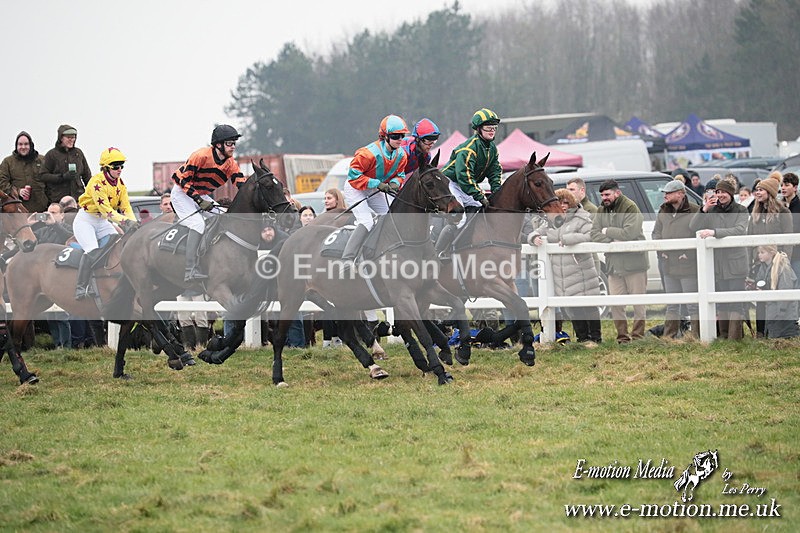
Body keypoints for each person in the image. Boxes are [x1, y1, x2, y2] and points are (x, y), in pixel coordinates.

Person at [171, 124, 245, 282]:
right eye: (230, 143)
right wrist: (198, 200)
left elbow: (240, 183)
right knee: (198, 224)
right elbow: (181, 180)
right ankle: (190, 269)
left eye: (234, 143)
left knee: (226, 217)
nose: (233, 147)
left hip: (201, 194)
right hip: (181, 193)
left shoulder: (231, 163)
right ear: (218, 144)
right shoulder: (200, 156)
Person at [530, 189, 602, 345]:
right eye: (559, 202)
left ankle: (595, 338)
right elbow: (535, 232)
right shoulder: (552, 220)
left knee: (589, 305)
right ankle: (582, 338)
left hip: (581, 269)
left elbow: (590, 235)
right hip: (561, 274)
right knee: (573, 307)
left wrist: (569, 239)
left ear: (571, 203)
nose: (562, 206)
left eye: (565, 202)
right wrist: (534, 237)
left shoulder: (581, 217)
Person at [341, 115, 409, 262]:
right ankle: (348, 258)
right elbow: (353, 176)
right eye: (396, 136)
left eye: (402, 136)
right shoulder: (368, 154)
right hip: (355, 188)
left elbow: (401, 174)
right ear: (385, 136)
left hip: (376, 188)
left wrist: (395, 183)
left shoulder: (402, 155)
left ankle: (378, 249)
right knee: (367, 221)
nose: (400, 139)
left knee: (392, 216)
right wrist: (376, 183)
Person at [689, 177, 750, 340]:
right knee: (721, 301)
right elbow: (693, 227)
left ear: (730, 193)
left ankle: (735, 337)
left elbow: (739, 230)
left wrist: (715, 232)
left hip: (735, 263)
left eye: (723, 191)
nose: (720, 195)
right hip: (718, 264)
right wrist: (704, 209)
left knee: (736, 301)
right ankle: (723, 335)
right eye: (718, 192)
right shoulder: (712, 210)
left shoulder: (741, 210)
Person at [73, 147, 137, 299]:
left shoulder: (120, 184)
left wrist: (134, 222)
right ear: (106, 167)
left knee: (116, 243)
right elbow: (106, 210)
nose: (120, 169)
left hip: (101, 222)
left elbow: (126, 206)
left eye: (122, 166)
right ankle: (81, 287)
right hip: (85, 221)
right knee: (92, 250)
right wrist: (125, 221)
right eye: (116, 166)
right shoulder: (96, 182)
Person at [590, 179, 648, 343]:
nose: (604, 198)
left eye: (607, 194)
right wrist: (611, 240)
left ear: (617, 193)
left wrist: (607, 230)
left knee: (639, 303)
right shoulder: (601, 210)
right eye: (602, 195)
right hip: (614, 265)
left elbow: (630, 233)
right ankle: (622, 337)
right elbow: (593, 234)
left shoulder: (631, 207)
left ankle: (638, 336)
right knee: (616, 303)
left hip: (634, 264)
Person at [652, 180, 700, 339]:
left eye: (669, 193)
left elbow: (698, 233)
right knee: (672, 304)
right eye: (665, 193)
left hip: (687, 265)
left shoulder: (694, 210)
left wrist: (688, 253)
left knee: (693, 304)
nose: (665, 196)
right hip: (668, 264)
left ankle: (697, 335)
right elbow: (656, 233)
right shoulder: (663, 211)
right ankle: (669, 336)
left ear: (680, 193)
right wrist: (661, 250)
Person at [747, 175, 792, 337]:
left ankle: (777, 331)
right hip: (760, 264)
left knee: (777, 299)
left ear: (770, 192)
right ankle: (760, 332)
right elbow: (749, 240)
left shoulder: (783, 212)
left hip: (778, 264)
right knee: (760, 298)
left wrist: (784, 262)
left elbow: (789, 240)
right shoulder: (755, 214)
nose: (757, 193)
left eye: (761, 189)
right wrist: (751, 261)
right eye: (756, 190)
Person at [753, 245, 799, 339]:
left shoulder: (783, 268)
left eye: (762, 252)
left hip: (784, 313)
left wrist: (780, 313)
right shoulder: (763, 267)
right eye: (758, 253)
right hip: (772, 310)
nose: (759, 255)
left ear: (771, 253)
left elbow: (785, 292)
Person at [39, 125, 91, 203]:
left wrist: (92, 191)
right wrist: (62, 177)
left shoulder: (78, 153)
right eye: (68, 137)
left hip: (78, 198)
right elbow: (43, 176)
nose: (71, 140)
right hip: (58, 200)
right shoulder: (51, 154)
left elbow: (87, 175)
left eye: (73, 137)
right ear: (61, 138)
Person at [0, 131, 48, 213]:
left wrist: (50, 204)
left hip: (42, 209)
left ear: (31, 145)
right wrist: (18, 191)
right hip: (18, 212)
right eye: (20, 144)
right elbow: (2, 182)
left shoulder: (42, 160)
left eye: (26, 144)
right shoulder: (8, 162)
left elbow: (50, 182)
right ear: (16, 146)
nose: (23, 147)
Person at [779, 172, 800, 281]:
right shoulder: (779, 206)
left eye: (787, 185)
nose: (783, 188)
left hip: (797, 254)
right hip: (781, 252)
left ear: (795, 187)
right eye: (782, 185)